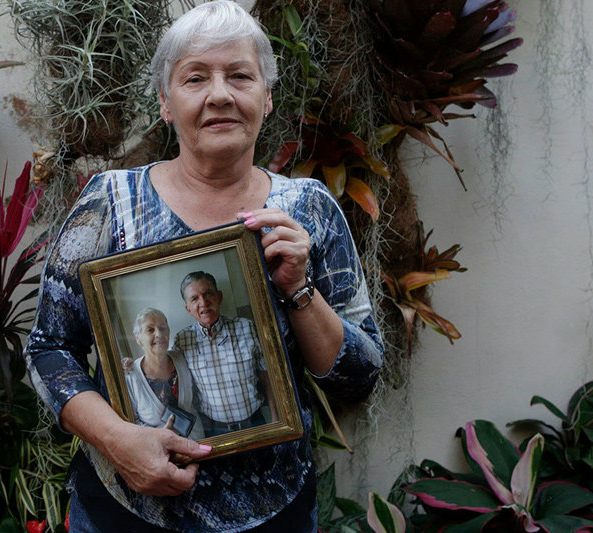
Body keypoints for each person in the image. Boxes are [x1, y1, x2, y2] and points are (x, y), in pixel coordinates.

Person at [23, 1, 384, 531]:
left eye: (240, 75)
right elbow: (48, 349)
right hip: (125, 509)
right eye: (195, 78)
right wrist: (117, 440)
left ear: (265, 95)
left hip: (274, 511)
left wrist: (299, 291)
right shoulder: (110, 202)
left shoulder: (306, 209)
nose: (220, 94)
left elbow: (359, 378)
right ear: (166, 103)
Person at [173, 271, 274, 436]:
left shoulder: (246, 327)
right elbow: (168, 375)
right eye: (194, 299)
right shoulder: (182, 340)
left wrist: (276, 417)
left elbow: (267, 375)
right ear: (188, 308)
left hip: (255, 423)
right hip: (215, 431)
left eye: (208, 294)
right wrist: (133, 367)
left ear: (219, 297)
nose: (203, 302)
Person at [125, 308, 204, 440]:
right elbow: (131, 423)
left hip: (197, 440)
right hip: (160, 450)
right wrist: (161, 435)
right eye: (150, 330)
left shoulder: (181, 358)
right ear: (138, 338)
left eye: (162, 328)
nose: (159, 334)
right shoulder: (130, 375)